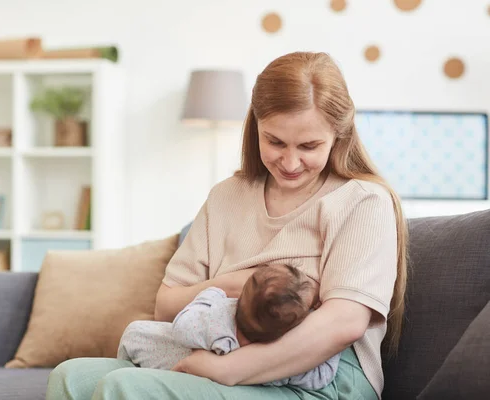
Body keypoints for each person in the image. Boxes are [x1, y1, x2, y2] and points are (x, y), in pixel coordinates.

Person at [45, 51, 408, 400]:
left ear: (338, 137)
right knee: (71, 377)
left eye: (309, 146)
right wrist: (233, 284)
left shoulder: (361, 200)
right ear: (256, 127)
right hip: (217, 347)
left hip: (319, 377)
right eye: (275, 141)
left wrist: (232, 368)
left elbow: (343, 323)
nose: (291, 161)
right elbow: (166, 306)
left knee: (124, 388)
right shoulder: (227, 196)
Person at [117, 264, 341, 390]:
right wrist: (321, 321)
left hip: (162, 359)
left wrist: (212, 293)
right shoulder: (282, 359)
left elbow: (181, 327)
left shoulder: (218, 317)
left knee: (134, 333)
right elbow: (321, 376)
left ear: (240, 296)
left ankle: (122, 366)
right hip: (207, 383)